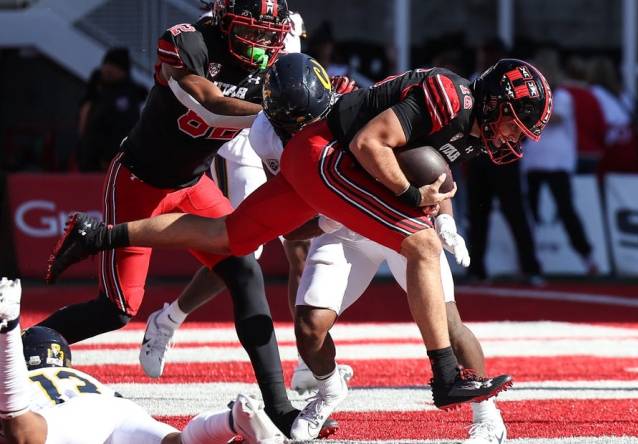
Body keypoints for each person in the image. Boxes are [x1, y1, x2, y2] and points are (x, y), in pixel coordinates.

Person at [46, 58, 552, 420]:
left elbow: (401, 165)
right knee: (419, 246)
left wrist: (437, 208)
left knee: (232, 236)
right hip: (329, 156)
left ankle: (98, 233)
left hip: (319, 163)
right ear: (495, 101)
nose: (513, 137)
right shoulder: (448, 95)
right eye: (515, 123)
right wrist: (410, 193)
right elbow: (370, 142)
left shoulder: (465, 123)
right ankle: (446, 374)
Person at [39, 0, 336, 437]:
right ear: (225, 22)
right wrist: (274, 108)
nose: (260, 46)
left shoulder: (273, 67)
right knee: (117, 309)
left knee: (244, 271)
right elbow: (210, 104)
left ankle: (279, 408)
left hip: (193, 186)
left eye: (268, 35)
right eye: (250, 32)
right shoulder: (189, 42)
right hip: (139, 180)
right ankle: (29, 342)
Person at [206, 53, 504, 442]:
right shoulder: (267, 138)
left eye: (315, 116)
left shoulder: (359, 108)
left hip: (399, 224)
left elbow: (429, 163)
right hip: (345, 231)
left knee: (449, 323)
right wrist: (329, 218)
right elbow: (291, 228)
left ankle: (488, 416)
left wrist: (443, 214)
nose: (307, 127)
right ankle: (329, 389)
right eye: (296, 122)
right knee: (309, 329)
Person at [136, 4, 349, 396]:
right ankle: (169, 319)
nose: (263, 38)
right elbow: (214, 94)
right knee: (246, 247)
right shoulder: (205, 36)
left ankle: (307, 358)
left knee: (299, 244)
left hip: (277, 131)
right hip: (237, 139)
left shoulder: (286, 24)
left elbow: (298, 85)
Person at [0, 278, 285, 444]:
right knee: (179, 442)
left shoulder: (25, 380)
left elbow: (16, 420)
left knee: (20, 431)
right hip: (116, 408)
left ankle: (8, 326)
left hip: (67, 416)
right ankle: (231, 420)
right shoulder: (82, 378)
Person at [466, 38, 543, 284]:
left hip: (505, 156)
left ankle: (531, 267)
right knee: (477, 214)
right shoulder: (474, 79)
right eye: (482, 53)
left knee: (515, 211)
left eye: (489, 53)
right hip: (478, 156)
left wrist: (513, 143)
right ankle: (475, 268)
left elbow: (526, 120)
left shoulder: (512, 83)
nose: (483, 58)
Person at [523, 48, 597, 275]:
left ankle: (587, 258)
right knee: (529, 213)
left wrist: (525, 109)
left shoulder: (562, 96)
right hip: (533, 161)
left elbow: (553, 119)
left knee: (566, 210)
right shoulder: (531, 97)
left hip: (557, 161)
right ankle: (529, 261)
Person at [77, 48, 148, 172]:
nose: (108, 69)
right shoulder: (97, 91)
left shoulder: (127, 96)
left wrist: (110, 156)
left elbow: (124, 129)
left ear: (123, 71)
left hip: (111, 163)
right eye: (106, 65)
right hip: (90, 160)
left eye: (114, 66)